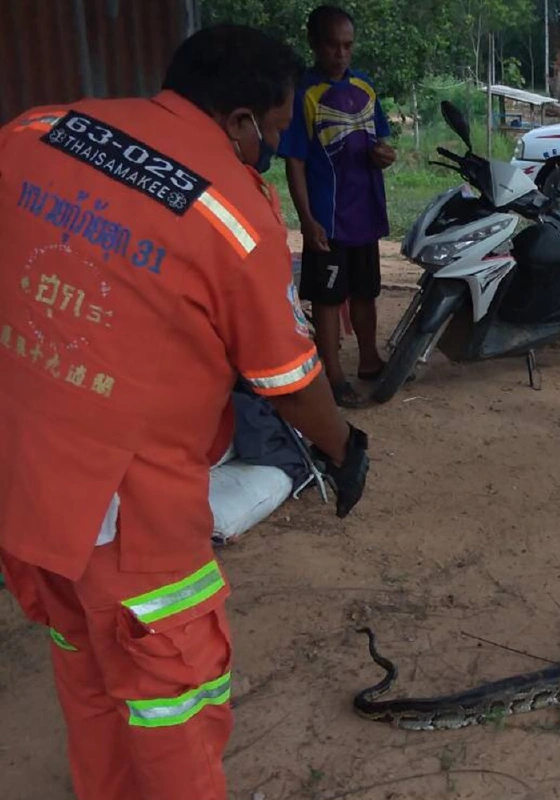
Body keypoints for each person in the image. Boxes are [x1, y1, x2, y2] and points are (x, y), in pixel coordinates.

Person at [0, 24, 370, 800]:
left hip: (22, 481)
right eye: (271, 130)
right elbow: (288, 379)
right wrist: (343, 447)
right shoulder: (233, 216)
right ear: (239, 120)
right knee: (174, 691)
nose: (270, 145)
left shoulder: (36, 131)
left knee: (85, 661)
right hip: (125, 510)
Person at [278, 4, 397, 408]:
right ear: (315, 45)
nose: (342, 54)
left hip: (365, 211)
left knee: (365, 291)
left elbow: (381, 140)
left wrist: (386, 154)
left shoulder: (364, 86)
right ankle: (332, 375)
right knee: (328, 298)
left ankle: (369, 360)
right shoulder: (302, 95)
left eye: (348, 46)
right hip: (327, 219)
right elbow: (294, 161)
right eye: (333, 46)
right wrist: (307, 219)